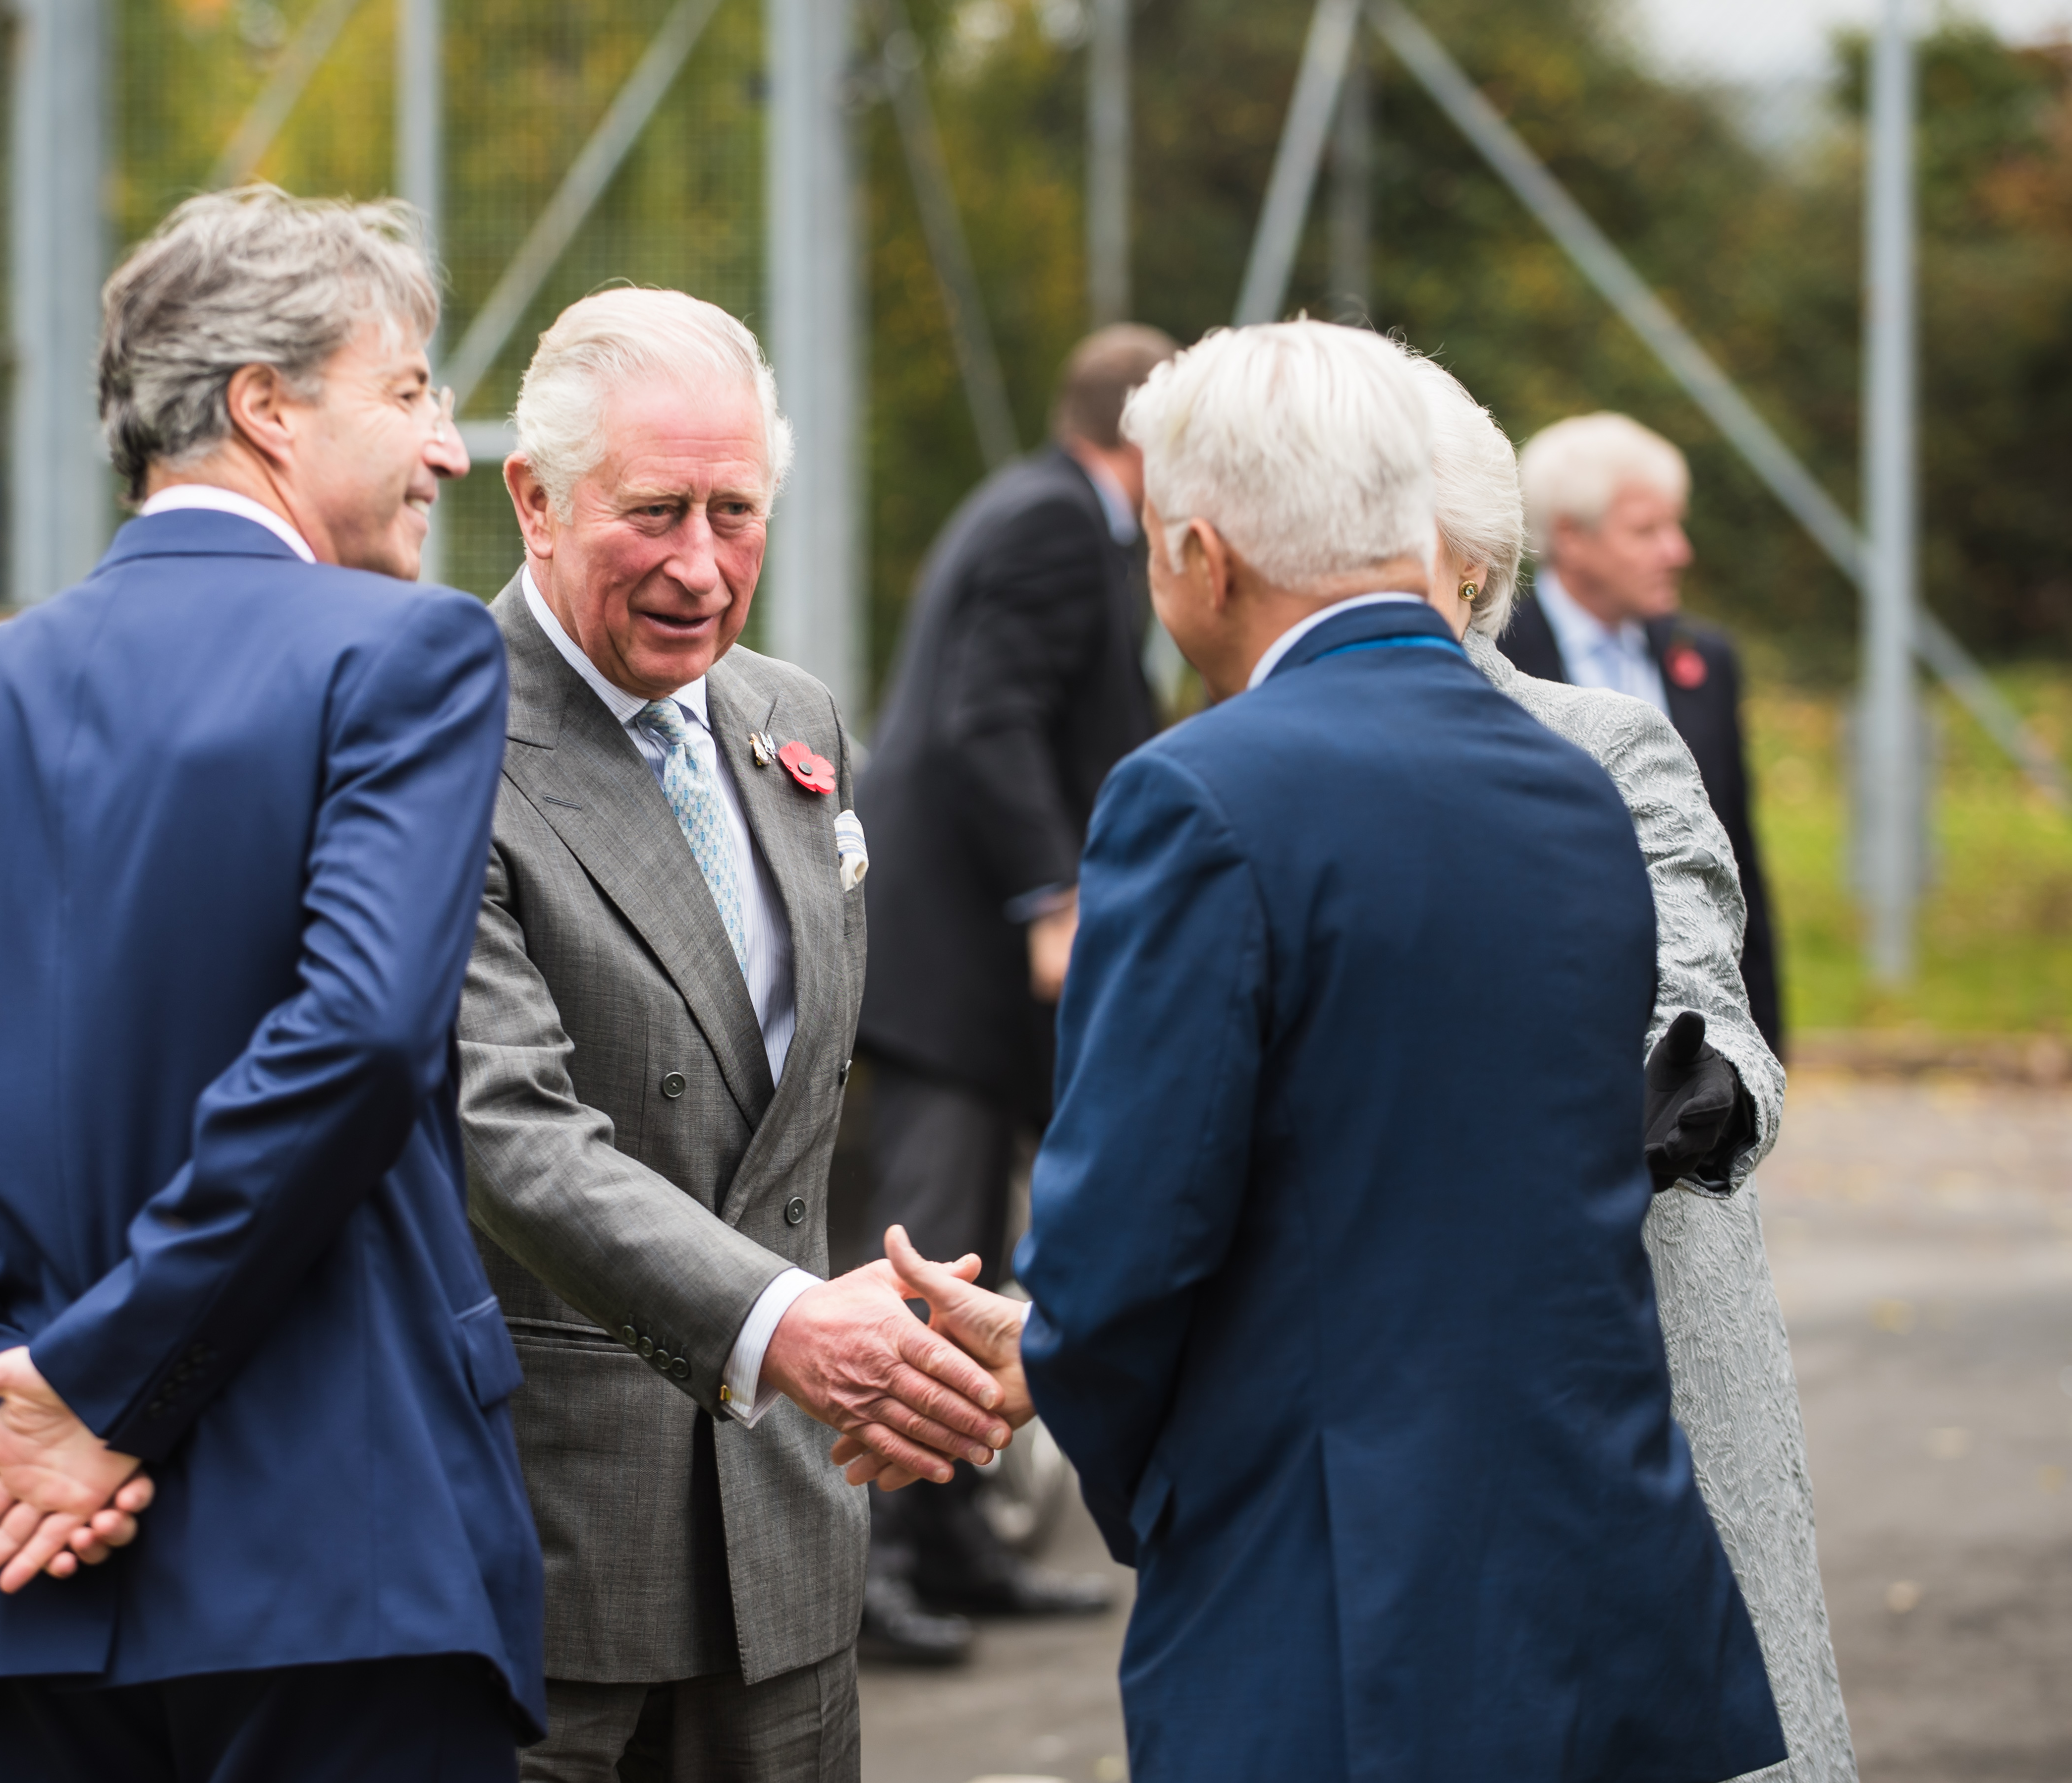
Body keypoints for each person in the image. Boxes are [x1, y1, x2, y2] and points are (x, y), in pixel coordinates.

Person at [859, 321, 1787, 1783]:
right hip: (1593, 1559)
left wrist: (1055, 1340)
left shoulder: (1195, 797)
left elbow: (1135, 1223)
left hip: (1342, 1594)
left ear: (1200, 557)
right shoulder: (1567, 789)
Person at [0, 186, 545, 1780]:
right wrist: (85, 1397)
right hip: (345, 1571)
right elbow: (361, 1036)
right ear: (263, 407)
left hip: (38, 1589)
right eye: (405, 392)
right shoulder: (402, 655)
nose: (445, 448)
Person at [456, 287, 1014, 1783]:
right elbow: (505, 1134)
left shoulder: (791, 717)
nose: (700, 568)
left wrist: (888, 1327)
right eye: (653, 512)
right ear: (533, 496)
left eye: (736, 511)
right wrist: (790, 1325)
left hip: (789, 1536)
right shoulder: (438, 739)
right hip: (551, 1542)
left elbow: (786, 1115)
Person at [1400, 350, 1861, 1783]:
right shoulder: (1215, 773)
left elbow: (1693, 931)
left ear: (1464, 566)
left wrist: (1710, 1070)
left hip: (1637, 1338)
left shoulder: (1613, 732)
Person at [848, 324, 1176, 1657]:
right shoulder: (1053, 522)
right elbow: (988, 714)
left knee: (965, 1243)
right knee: (924, 1258)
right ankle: (866, 1568)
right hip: (950, 958)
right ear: (1141, 438)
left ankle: (959, 1538)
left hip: (959, 957)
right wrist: (1054, 896)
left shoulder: (1056, 513)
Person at [1502, 413, 1782, 1052]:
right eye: (1647, 530)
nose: (1677, 551)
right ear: (1570, 536)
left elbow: (1737, 861)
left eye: (1675, 525)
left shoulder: (1705, 662)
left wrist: (1759, 1055)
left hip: (1688, 1039)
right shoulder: (1495, 658)